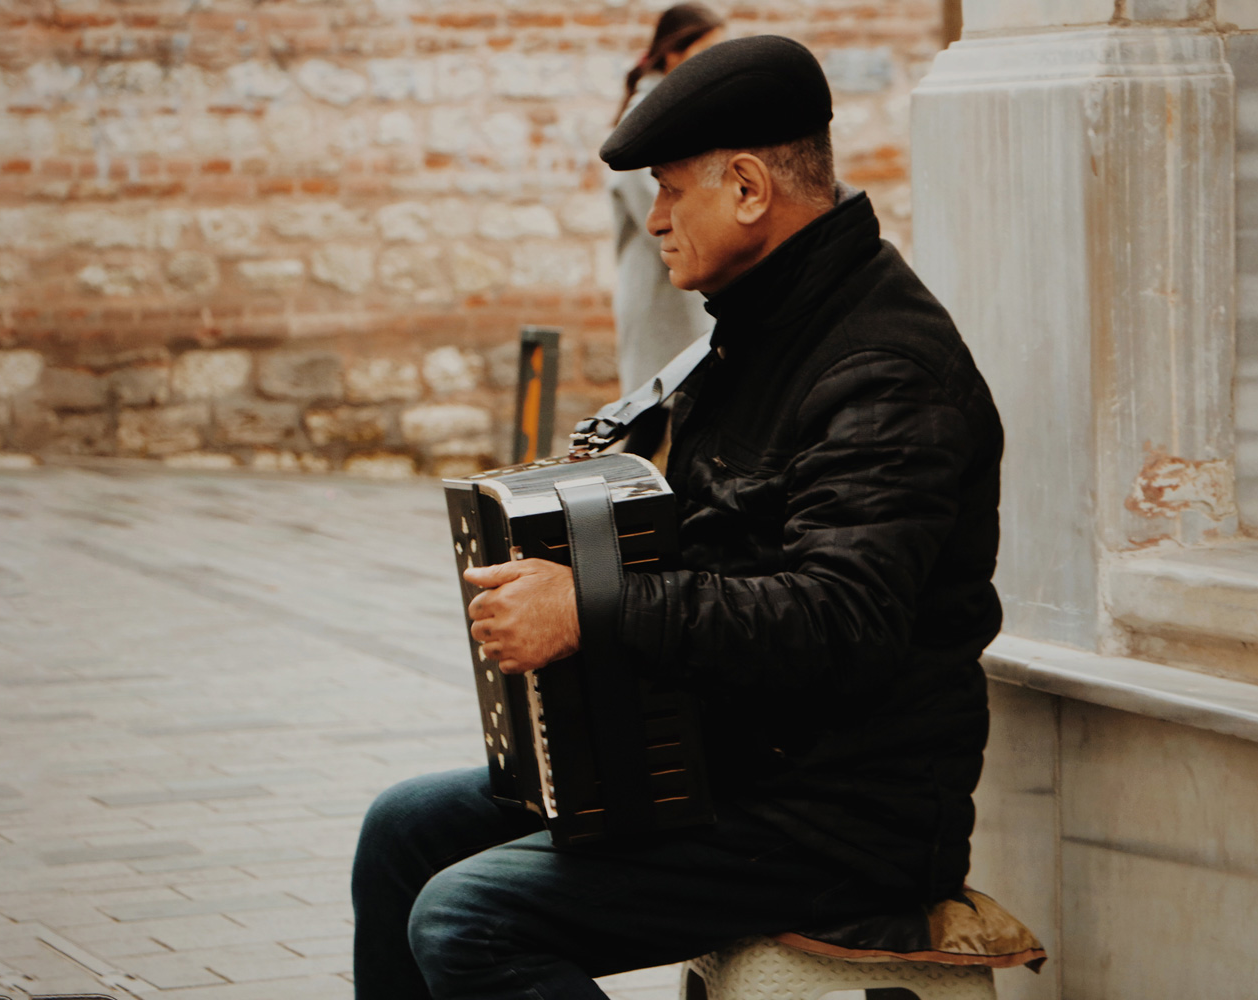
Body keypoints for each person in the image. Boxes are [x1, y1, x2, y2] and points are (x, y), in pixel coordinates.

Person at [352, 35, 1004, 1000]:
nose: (653, 219)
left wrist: (592, 610)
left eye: (669, 190)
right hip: (733, 765)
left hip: (840, 814)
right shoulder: (754, 332)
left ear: (747, 188)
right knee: (402, 829)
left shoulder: (884, 370)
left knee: (468, 916)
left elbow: (839, 621)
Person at [610, 4, 725, 456]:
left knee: (665, 411)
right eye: (707, 50)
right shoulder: (650, 108)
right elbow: (648, 203)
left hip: (677, 288)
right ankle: (618, 513)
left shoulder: (671, 103)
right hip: (663, 289)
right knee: (651, 413)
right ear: (675, 53)